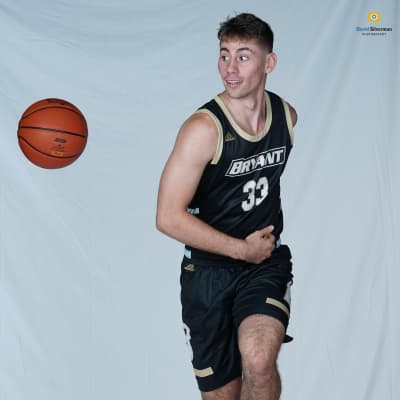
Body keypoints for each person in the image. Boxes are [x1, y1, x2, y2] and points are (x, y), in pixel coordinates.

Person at [156, 12, 297, 400]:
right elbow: (167, 217)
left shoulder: (286, 117)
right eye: (224, 55)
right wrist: (240, 249)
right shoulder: (203, 130)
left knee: (259, 360)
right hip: (207, 274)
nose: (230, 69)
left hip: (263, 264)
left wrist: (254, 252)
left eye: (243, 56)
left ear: (269, 62)